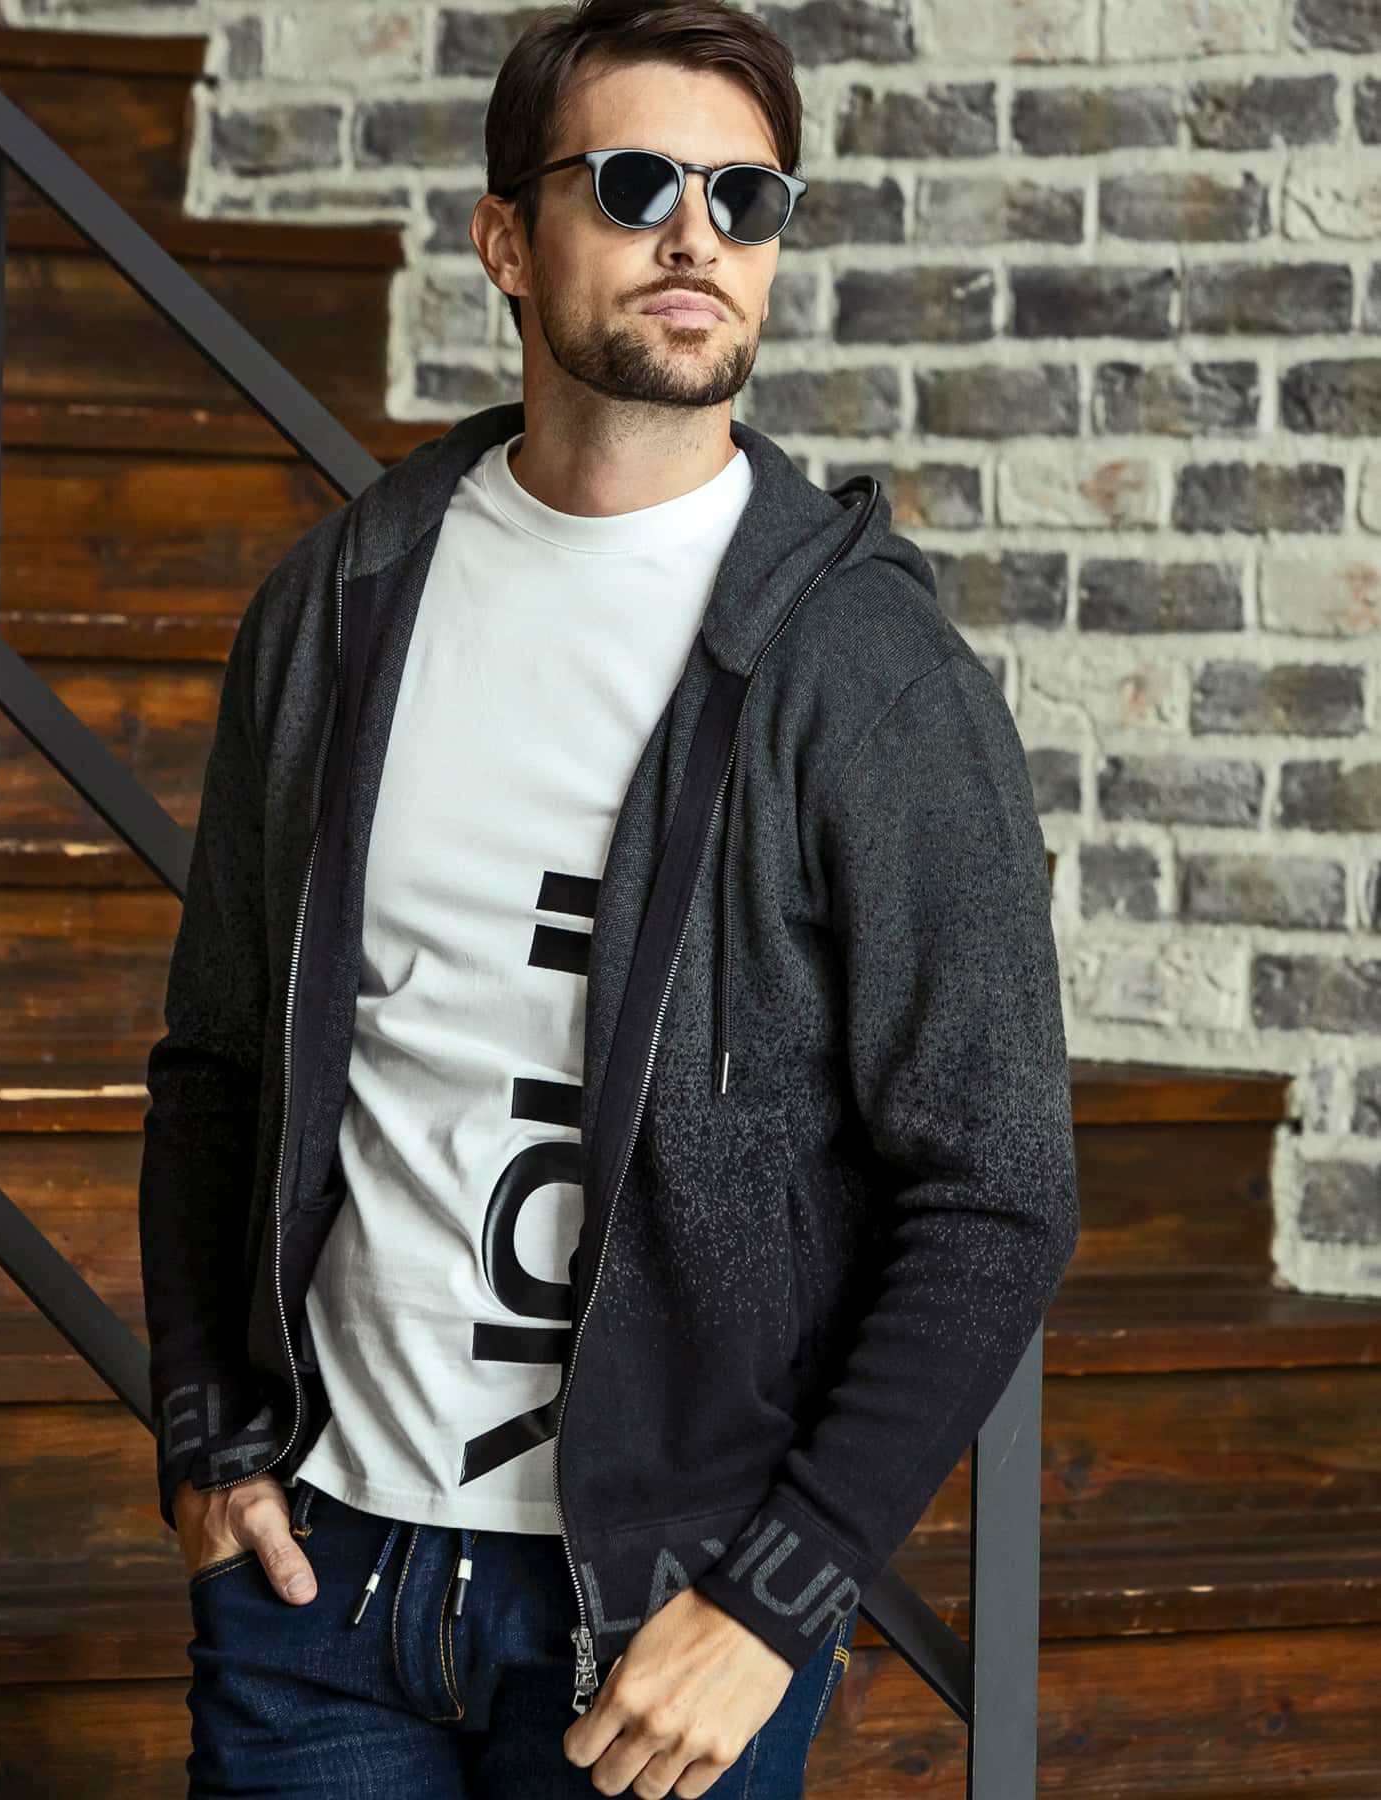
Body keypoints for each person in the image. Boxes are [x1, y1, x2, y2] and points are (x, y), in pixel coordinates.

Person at [138, 0, 1080, 1793]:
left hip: (661, 1625)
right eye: (637, 183)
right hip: (319, 1581)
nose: (695, 236)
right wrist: (206, 1432)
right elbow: (217, 1064)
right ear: (507, 238)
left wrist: (779, 1595)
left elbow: (998, 1188)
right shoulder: (341, 604)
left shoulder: (865, 672)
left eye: (747, 197)